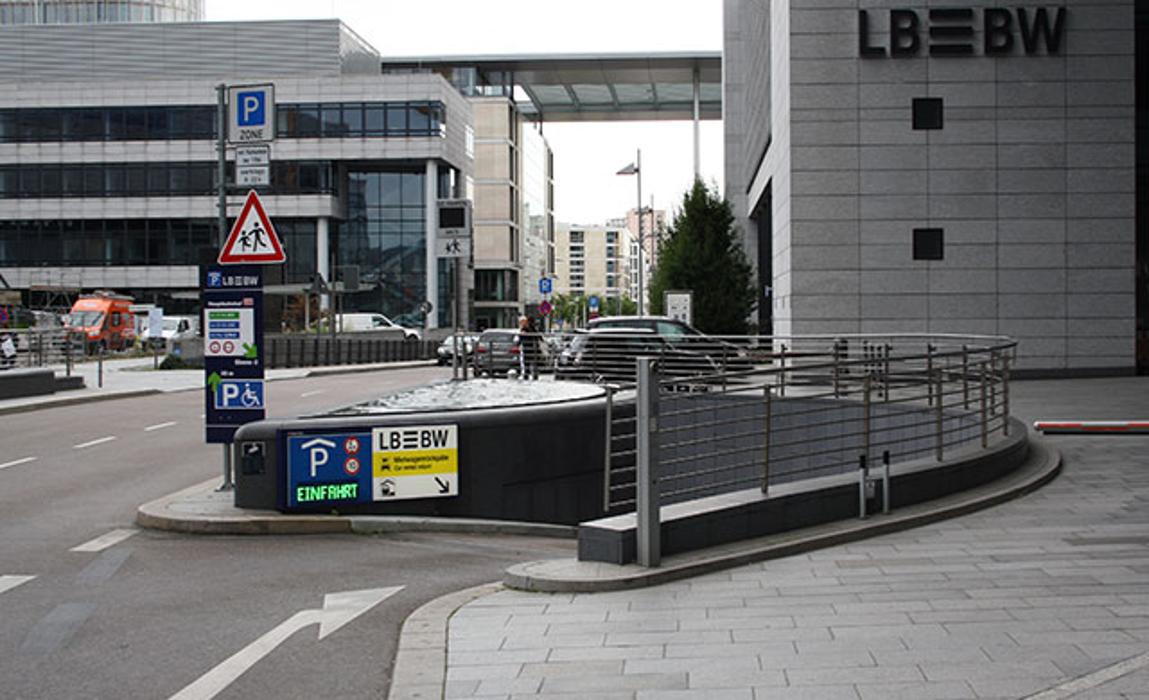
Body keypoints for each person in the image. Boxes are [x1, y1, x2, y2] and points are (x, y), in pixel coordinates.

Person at [516, 315, 541, 380]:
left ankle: (531, 376)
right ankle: (529, 376)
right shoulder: (529, 328)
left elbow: (521, 338)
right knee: (529, 363)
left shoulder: (529, 328)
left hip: (530, 348)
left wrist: (518, 344)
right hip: (530, 348)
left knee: (531, 363)